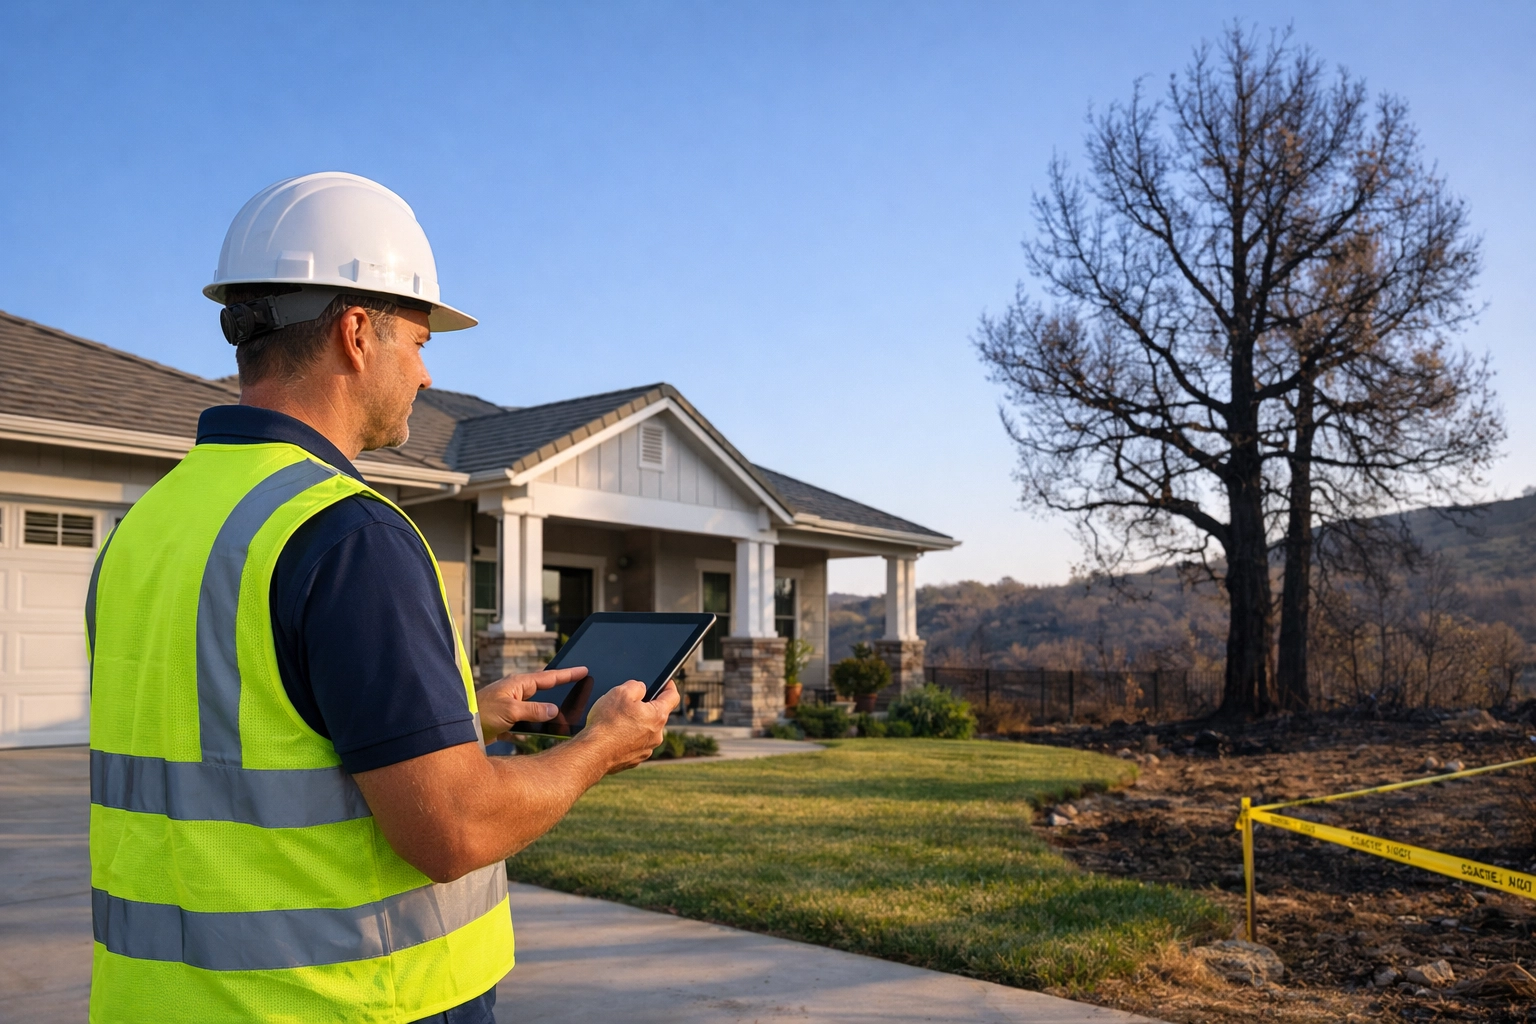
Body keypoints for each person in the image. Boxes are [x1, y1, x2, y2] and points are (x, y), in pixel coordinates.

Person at [85, 171, 678, 1023]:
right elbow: (453, 829)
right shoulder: (347, 534)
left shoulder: (148, 529)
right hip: (344, 1000)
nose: (429, 374)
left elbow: (244, 747)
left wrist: (460, 721)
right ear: (358, 333)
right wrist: (601, 748)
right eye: (421, 340)